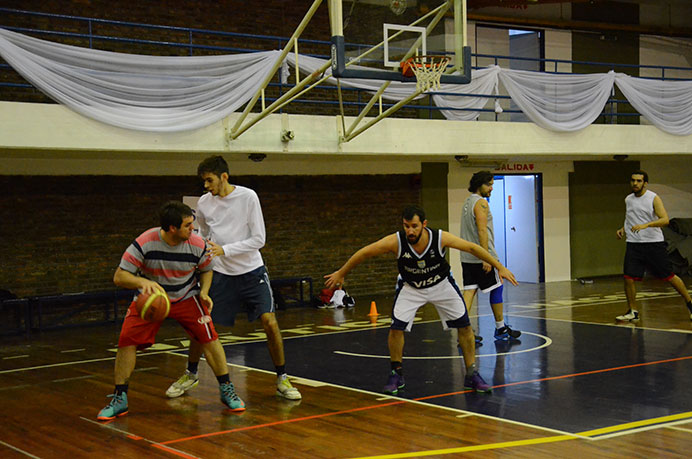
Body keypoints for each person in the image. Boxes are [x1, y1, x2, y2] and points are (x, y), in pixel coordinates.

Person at [324, 205, 518, 395]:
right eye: (406, 226)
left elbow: (471, 247)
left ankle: (471, 373)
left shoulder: (439, 237)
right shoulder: (396, 241)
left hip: (441, 285)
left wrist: (498, 266)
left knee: (465, 326)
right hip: (411, 288)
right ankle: (396, 373)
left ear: (424, 224)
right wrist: (342, 272)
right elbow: (366, 252)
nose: (410, 230)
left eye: (414, 226)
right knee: (395, 328)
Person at [166, 156, 301, 401]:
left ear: (224, 177)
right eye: (203, 181)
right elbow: (205, 235)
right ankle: (191, 372)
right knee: (202, 325)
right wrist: (204, 254)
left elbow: (259, 240)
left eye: (209, 180)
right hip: (220, 274)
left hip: (251, 271)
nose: (206, 186)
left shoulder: (248, 197)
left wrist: (225, 249)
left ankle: (282, 377)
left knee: (269, 322)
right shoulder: (205, 204)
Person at [97, 201, 245, 421]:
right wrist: (141, 282)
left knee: (210, 337)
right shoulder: (145, 242)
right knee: (126, 341)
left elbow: (206, 270)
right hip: (151, 300)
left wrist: (204, 291)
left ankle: (226, 389)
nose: (193, 230)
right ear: (172, 228)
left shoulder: (198, 244)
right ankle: (120, 398)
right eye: (187, 226)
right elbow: (119, 276)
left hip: (186, 296)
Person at [615, 170, 692, 321]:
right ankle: (633, 311)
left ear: (645, 183)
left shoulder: (653, 198)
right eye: (633, 180)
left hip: (653, 244)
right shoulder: (628, 199)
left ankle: (689, 303)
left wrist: (646, 225)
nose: (635, 183)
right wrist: (622, 229)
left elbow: (665, 220)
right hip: (633, 244)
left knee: (668, 276)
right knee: (628, 277)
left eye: (638, 181)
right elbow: (630, 218)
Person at [460, 171, 521, 343]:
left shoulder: (467, 202)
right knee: (498, 286)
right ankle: (501, 329)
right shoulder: (481, 204)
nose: (492, 188)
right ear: (479, 185)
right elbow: (481, 230)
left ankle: (463, 330)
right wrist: (486, 257)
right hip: (482, 256)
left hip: (467, 256)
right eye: (489, 184)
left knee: (470, 291)